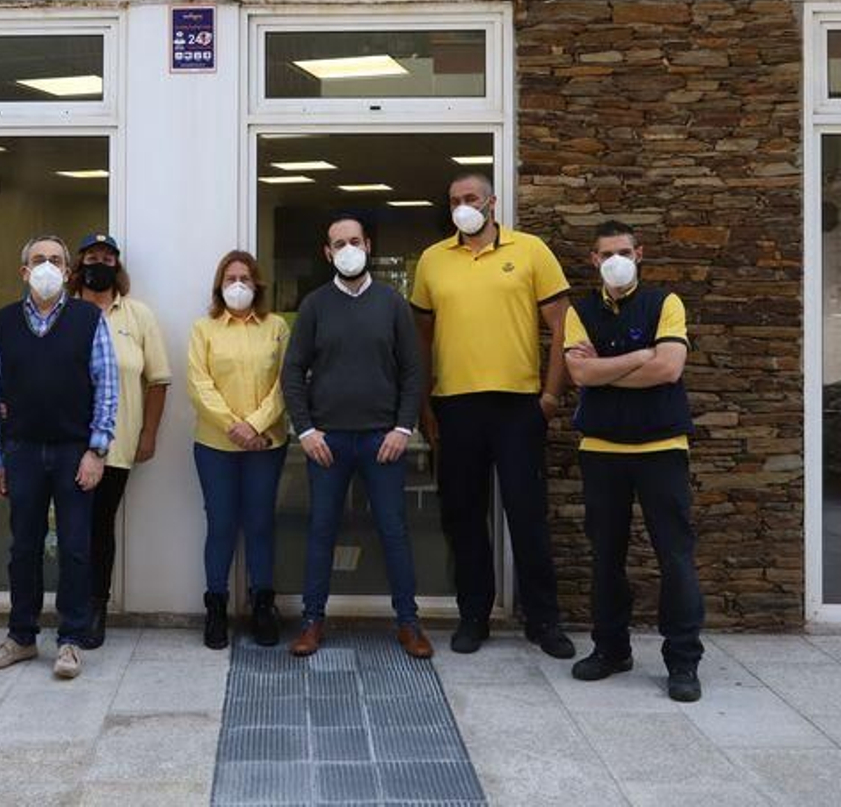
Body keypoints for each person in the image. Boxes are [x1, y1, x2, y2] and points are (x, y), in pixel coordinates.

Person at [411, 172, 575, 658]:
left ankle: (543, 621)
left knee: (527, 515)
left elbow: (562, 324)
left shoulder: (529, 251)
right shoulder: (432, 260)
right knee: (462, 515)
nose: (463, 206)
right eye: (455, 199)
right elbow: (423, 338)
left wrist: (549, 395)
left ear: (492, 203)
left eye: (471, 198)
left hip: (518, 404)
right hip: (456, 405)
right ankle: (473, 616)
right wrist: (426, 404)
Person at [563, 220, 704, 703]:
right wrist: (637, 356)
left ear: (639, 254)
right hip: (601, 451)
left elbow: (669, 367)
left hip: (662, 449)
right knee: (606, 558)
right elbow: (578, 371)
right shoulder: (579, 312)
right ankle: (610, 649)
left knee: (676, 558)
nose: (615, 260)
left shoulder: (665, 303)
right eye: (605, 254)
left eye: (623, 251)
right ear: (593, 260)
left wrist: (606, 369)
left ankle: (683, 661)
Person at [282, 215, 432, 660]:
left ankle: (408, 623)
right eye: (337, 243)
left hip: (381, 441)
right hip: (326, 443)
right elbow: (292, 371)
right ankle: (312, 621)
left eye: (354, 241)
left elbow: (413, 371)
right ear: (327, 253)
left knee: (394, 532)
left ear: (367, 245)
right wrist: (305, 430)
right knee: (321, 532)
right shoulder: (314, 306)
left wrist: (403, 427)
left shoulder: (392, 304)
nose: (347, 249)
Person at [0, 234, 119, 681]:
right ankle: (21, 636)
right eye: (38, 259)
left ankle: (71, 640)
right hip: (21, 451)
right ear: (24, 272)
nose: (47, 267)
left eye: (56, 260)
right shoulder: (1, 323)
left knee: (76, 548)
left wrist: (97, 449)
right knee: (23, 548)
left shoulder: (87, 319)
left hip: (74, 450)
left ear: (67, 271)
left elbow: (107, 388)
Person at [68, 232, 171, 649]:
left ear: (118, 266)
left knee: (98, 527)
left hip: (117, 443)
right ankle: (67, 606)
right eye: (92, 257)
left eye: (107, 258)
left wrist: (148, 434)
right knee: (66, 528)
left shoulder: (138, 316)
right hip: (65, 441)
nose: (99, 264)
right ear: (79, 265)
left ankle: (95, 607)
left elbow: (158, 379)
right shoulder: (62, 311)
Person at [187, 250, 290, 649]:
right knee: (222, 525)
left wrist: (255, 426)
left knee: (261, 523)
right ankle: (217, 609)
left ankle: (263, 605)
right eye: (230, 278)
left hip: (267, 444)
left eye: (245, 278)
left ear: (257, 284)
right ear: (219, 286)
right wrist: (235, 426)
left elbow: (285, 382)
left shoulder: (276, 327)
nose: (237, 285)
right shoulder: (204, 328)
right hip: (216, 445)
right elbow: (199, 385)